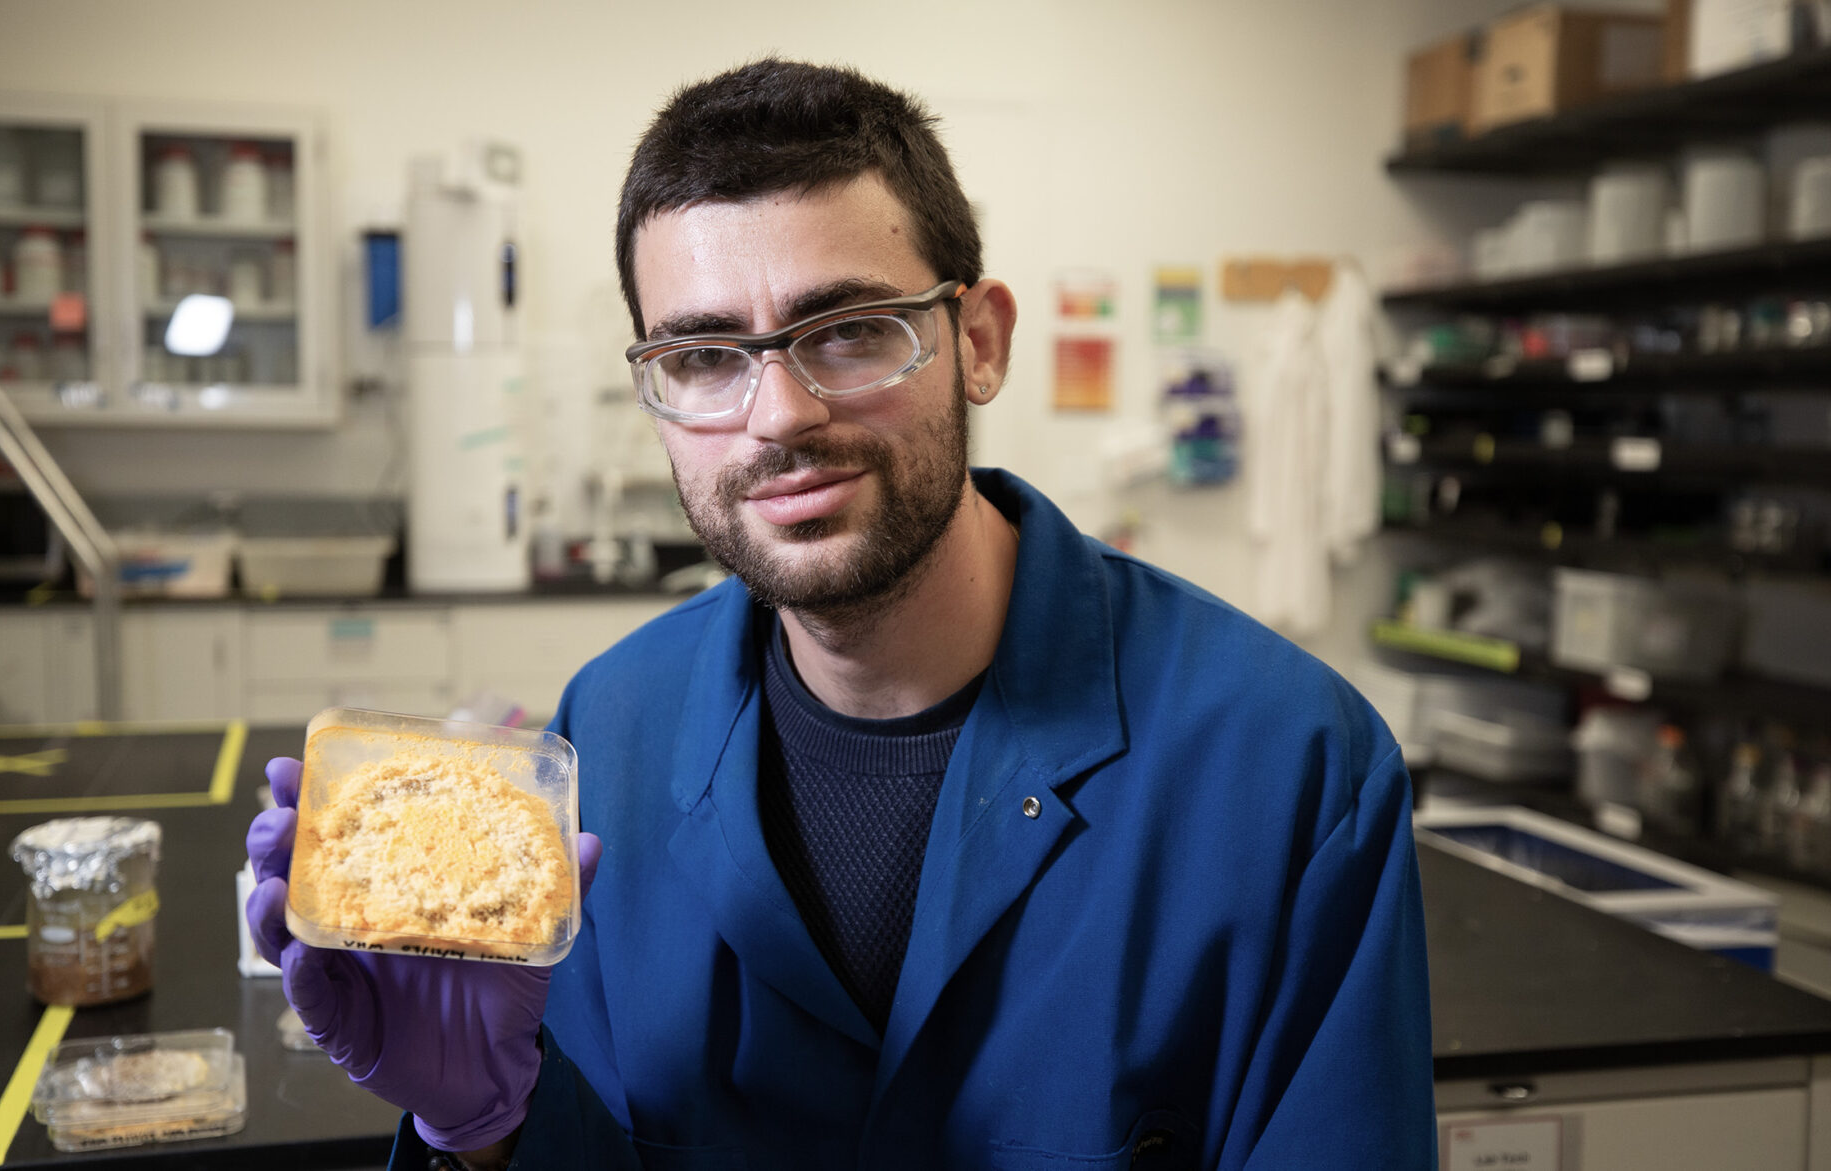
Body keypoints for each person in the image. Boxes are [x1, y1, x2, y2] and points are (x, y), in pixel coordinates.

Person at [246, 57, 1435, 1170]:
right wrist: (486, 1127)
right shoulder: (612, 727)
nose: (776, 417)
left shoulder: (1287, 769)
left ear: (976, 340)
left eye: (849, 332)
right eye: (706, 355)